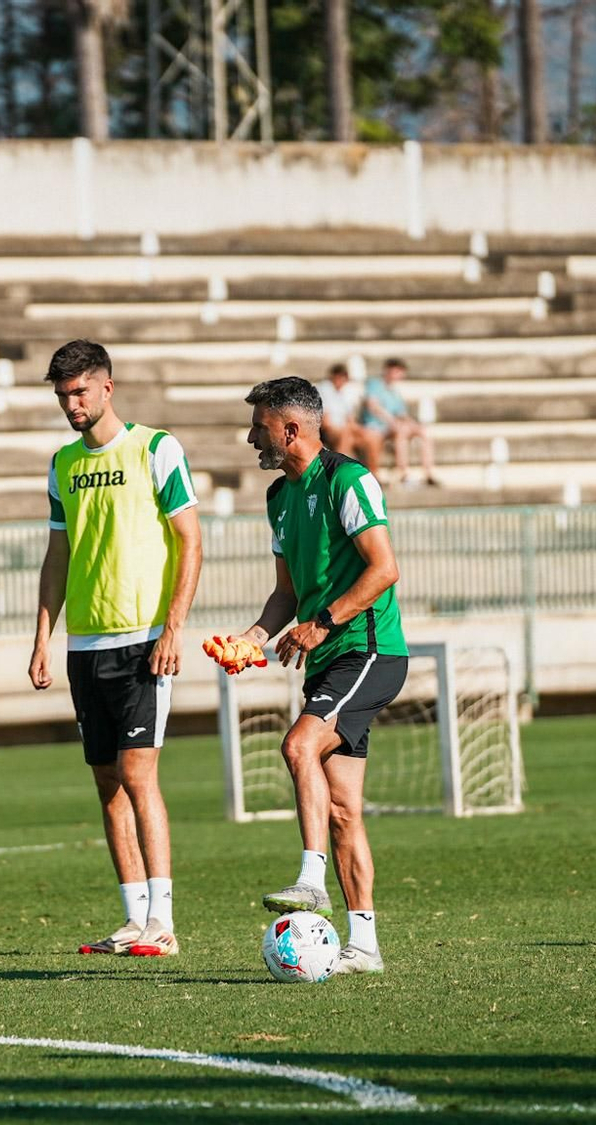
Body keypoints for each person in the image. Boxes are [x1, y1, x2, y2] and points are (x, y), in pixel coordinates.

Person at [225, 375, 408, 977]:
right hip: (331, 658)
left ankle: (311, 879)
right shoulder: (279, 497)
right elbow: (285, 594)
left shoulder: (348, 480)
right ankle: (365, 946)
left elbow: (383, 569)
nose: (251, 438)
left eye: (259, 427)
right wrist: (253, 638)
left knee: (298, 745)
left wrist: (322, 623)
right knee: (344, 811)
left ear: (290, 429)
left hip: (369, 650)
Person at [28, 340, 202, 958]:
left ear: (107, 387)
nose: (71, 404)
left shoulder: (156, 449)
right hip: (85, 643)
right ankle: (133, 918)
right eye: (62, 395)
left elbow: (190, 540)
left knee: (137, 774)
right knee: (107, 781)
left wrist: (174, 628)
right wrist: (43, 636)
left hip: (144, 638)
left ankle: (164, 921)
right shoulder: (62, 465)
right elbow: (58, 554)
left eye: (79, 392)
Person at [361, 359, 438, 487]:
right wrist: (392, 421)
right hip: (376, 427)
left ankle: (429, 473)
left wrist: (414, 425)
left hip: (391, 426)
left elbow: (401, 414)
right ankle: (404, 474)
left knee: (424, 433)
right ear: (389, 370)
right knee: (401, 431)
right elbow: (373, 406)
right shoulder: (374, 384)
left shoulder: (394, 391)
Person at [313, 363, 381, 475]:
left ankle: (374, 473)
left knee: (372, 436)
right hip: (331, 429)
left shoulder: (347, 391)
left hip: (346, 428)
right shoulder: (324, 390)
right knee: (347, 434)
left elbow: (350, 418)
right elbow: (326, 422)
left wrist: (358, 429)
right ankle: (338, 473)